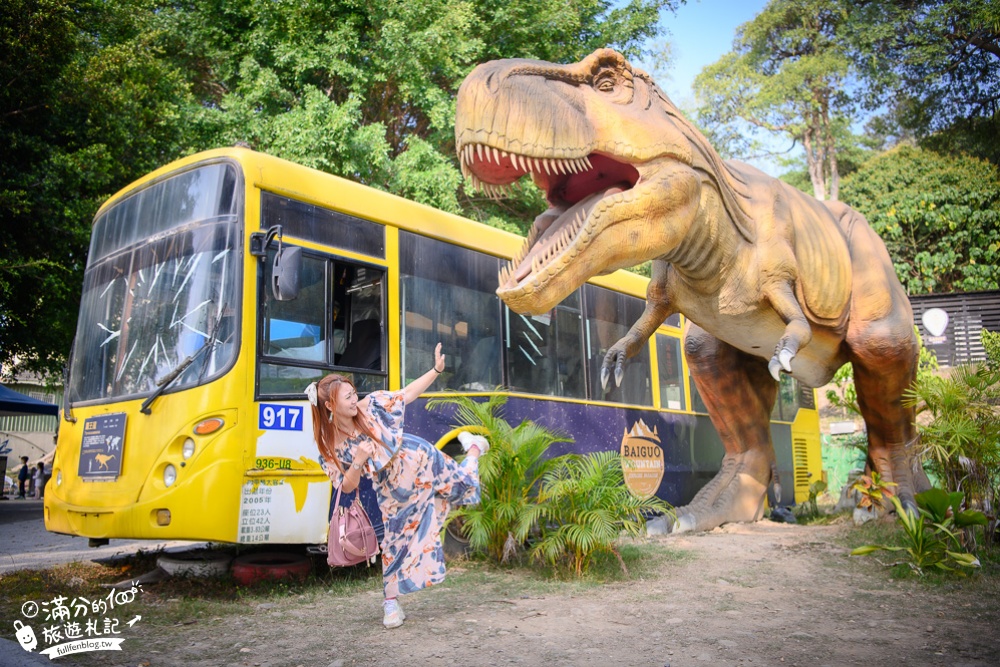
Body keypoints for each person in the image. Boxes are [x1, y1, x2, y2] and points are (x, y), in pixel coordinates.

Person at [305, 343, 488, 629]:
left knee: (465, 489)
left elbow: (407, 394)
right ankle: (391, 603)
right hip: (390, 489)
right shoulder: (330, 446)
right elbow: (347, 486)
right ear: (330, 405)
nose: (355, 400)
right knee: (393, 540)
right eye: (348, 398)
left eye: (354, 394)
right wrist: (358, 461)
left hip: (419, 458)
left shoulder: (371, 405)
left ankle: (475, 449)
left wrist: (436, 370)